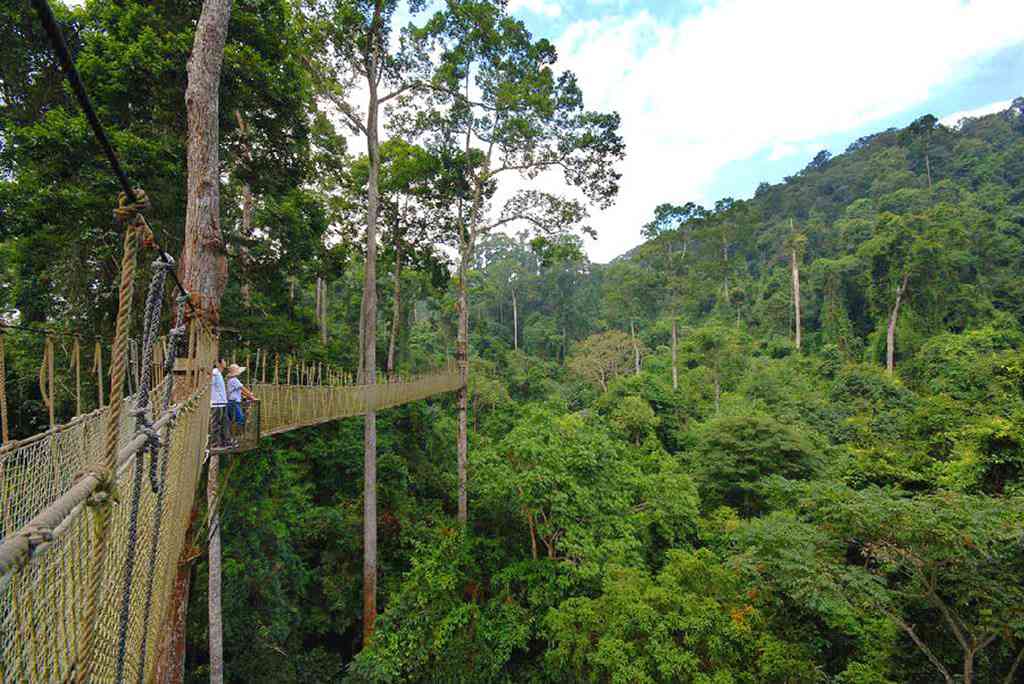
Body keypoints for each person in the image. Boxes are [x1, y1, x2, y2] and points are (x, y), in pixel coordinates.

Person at [225, 363, 257, 434]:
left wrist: (249, 396)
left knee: (233, 419)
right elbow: (243, 389)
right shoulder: (234, 380)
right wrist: (252, 397)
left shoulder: (231, 380)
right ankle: (237, 434)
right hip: (234, 403)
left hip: (232, 402)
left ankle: (232, 434)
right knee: (240, 419)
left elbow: (241, 392)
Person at [210, 359, 230, 447]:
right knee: (216, 424)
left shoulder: (219, 373)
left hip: (222, 403)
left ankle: (224, 442)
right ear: (219, 363)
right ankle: (215, 444)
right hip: (216, 403)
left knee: (224, 423)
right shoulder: (215, 373)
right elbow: (209, 384)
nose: (225, 362)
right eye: (223, 360)